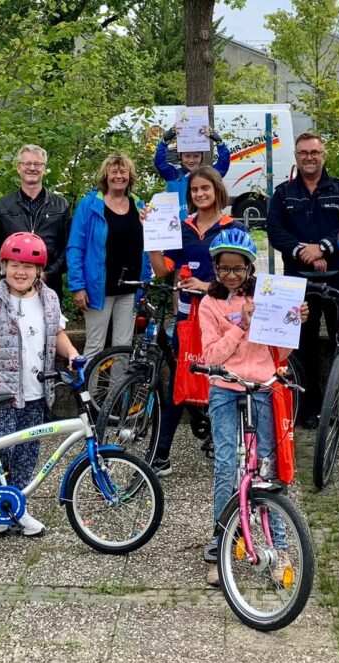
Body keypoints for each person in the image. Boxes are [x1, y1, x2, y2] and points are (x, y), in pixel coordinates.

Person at [197, 228, 308, 585]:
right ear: (215, 268)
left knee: (268, 470)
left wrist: (294, 321)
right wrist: (241, 325)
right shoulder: (210, 304)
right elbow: (211, 355)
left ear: (249, 268)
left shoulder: (267, 296)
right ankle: (221, 545)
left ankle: (280, 547)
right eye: (224, 269)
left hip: (262, 387)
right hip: (225, 389)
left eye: (238, 269)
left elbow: (281, 352)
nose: (231, 275)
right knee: (226, 466)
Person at [0, 232, 81, 536]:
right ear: (3, 265)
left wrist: (73, 354)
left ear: (39, 270)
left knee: (28, 453)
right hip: (0, 393)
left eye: (28, 265)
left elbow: (57, 334)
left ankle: (18, 506)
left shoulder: (49, 299)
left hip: (37, 392)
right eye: (14, 264)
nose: (21, 271)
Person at [145, 166, 247, 478]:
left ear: (217, 189)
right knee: (179, 383)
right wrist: (151, 236)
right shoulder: (183, 227)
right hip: (187, 318)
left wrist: (208, 287)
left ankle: (228, 447)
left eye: (205, 188)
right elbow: (163, 269)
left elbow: (244, 277)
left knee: (224, 382)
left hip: (223, 317)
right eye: (194, 190)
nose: (200, 194)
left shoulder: (233, 227)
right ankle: (160, 455)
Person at [265, 132, 339, 428]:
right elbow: (275, 230)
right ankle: (307, 408)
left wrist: (323, 248)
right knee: (301, 346)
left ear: (323, 155)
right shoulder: (283, 194)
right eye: (303, 152)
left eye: (314, 152)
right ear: (296, 156)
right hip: (296, 282)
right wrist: (302, 252)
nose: (309, 157)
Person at [66, 152, 145, 359]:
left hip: (130, 288)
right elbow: (75, 247)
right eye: (113, 171)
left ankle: (118, 392)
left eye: (123, 171)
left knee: (123, 349)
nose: (119, 176)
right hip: (98, 288)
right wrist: (77, 286)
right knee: (95, 347)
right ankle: (88, 392)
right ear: (105, 176)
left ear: (130, 176)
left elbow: (150, 244)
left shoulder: (140, 206)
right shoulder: (90, 205)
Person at [0, 143, 71, 299]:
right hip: (11, 284)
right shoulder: (3, 205)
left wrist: (48, 274)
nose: (32, 168)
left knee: (49, 323)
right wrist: (8, 271)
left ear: (44, 168)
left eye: (38, 164)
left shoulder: (61, 205)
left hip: (50, 285)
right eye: (27, 163)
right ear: (19, 167)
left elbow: (68, 245)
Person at [154, 125, 231, 222]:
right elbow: (159, 162)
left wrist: (220, 143)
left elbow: (223, 164)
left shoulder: (209, 175)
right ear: (180, 156)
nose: (191, 160)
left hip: (205, 227)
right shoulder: (174, 174)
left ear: (201, 157)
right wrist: (165, 141)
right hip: (179, 228)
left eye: (196, 156)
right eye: (187, 156)